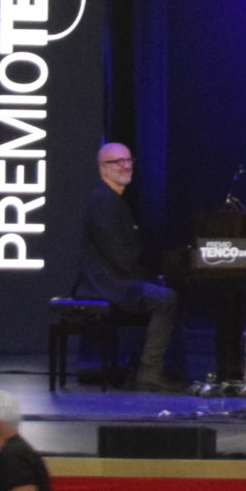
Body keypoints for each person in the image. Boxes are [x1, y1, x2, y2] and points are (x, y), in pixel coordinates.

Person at [79, 142, 187, 392]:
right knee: (166, 299)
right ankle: (149, 371)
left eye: (128, 160)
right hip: (108, 283)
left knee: (166, 294)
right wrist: (148, 276)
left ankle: (145, 364)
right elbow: (118, 255)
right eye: (118, 162)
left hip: (117, 278)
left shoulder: (113, 199)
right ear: (103, 168)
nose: (126, 166)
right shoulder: (103, 201)